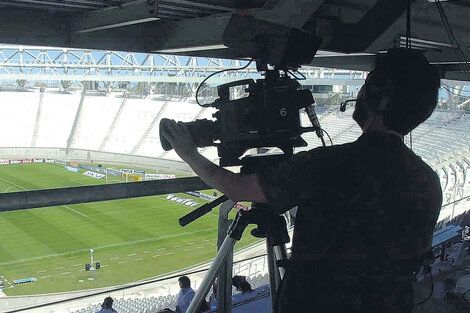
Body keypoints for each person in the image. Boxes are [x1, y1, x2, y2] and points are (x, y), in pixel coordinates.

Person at [161, 48, 443, 313]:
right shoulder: (428, 181)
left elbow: (239, 189)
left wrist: (190, 155)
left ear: (376, 96)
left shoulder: (329, 163)